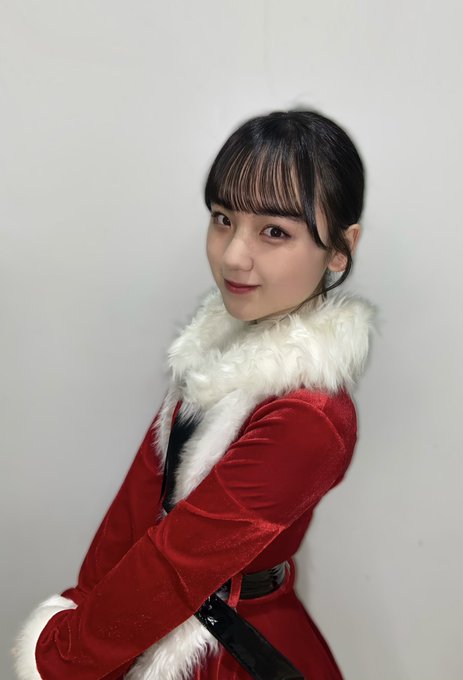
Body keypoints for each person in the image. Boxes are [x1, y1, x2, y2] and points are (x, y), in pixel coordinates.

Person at [13, 109, 375, 679]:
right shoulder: (214, 354)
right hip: (146, 624)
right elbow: (136, 508)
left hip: (230, 653)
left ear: (340, 249)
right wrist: (79, 608)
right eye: (223, 219)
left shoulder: (310, 415)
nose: (233, 256)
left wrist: (63, 659)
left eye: (275, 232)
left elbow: (177, 564)